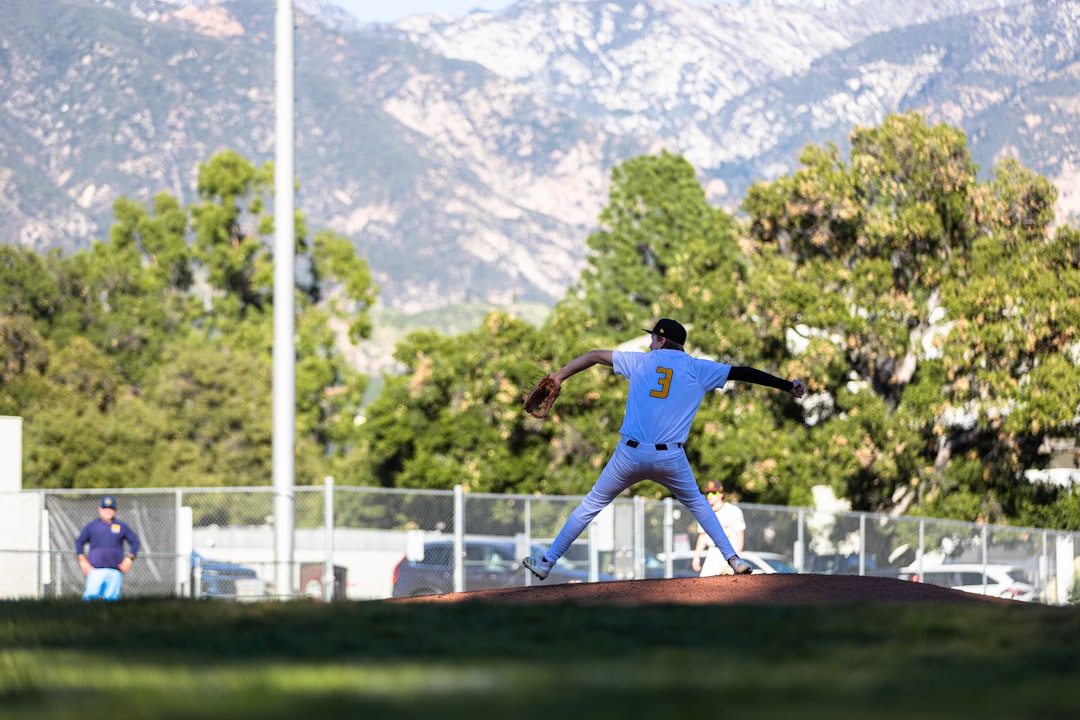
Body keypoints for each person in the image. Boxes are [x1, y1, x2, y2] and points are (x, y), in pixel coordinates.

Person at [522, 318, 805, 580]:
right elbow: (744, 373)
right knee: (698, 504)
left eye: (652, 338)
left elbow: (594, 355)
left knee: (590, 505)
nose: (649, 343)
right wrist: (787, 385)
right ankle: (733, 559)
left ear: (660, 339)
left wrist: (560, 375)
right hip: (670, 456)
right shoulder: (697, 368)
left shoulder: (640, 362)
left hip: (629, 455)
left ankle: (547, 562)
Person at [75, 495, 141, 601]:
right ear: (100, 509)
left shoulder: (121, 526)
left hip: (115, 571)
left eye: (111, 508)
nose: (108, 511)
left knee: (111, 602)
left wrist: (130, 558)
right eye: (105, 508)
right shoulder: (92, 526)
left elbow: (135, 542)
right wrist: (82, 560)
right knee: (89, 600)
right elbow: (79, 542)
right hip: (95, 571)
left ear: (115, 510)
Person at [691, 480, 746, 577]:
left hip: (730, 552)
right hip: (713, 552)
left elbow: (739, 536)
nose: (710, 495)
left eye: (714, 492)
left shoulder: (733, 511)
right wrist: (696, 556)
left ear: (721, 494)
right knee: (705, 583)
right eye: (708, 493)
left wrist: (736, 558)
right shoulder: (704, 513)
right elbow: (703, 536)